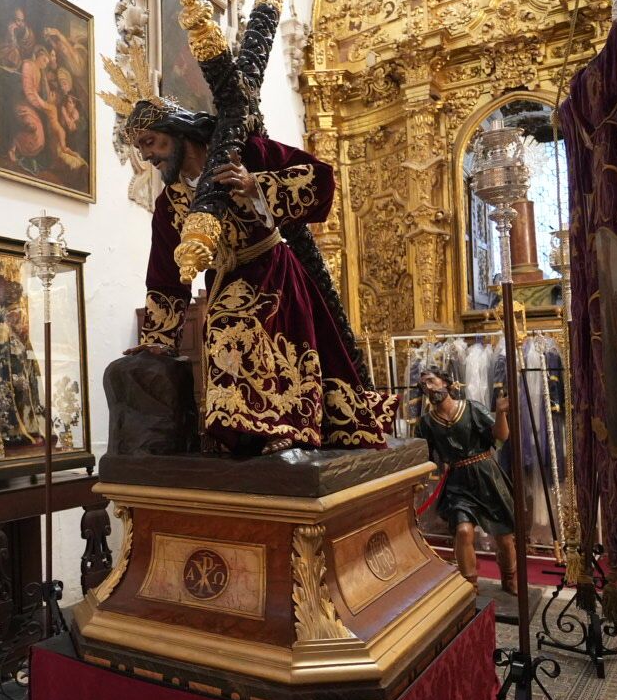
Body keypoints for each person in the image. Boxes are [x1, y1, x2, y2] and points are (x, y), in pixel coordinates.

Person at [119, 96, 395, 453]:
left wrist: (256, 184)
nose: (147, 156)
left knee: (239, 325)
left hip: (272, 270)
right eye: (141, 147)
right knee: (221, 326)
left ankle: (287, 425)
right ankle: (242, 433)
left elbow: (320, 177)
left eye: (151, 142)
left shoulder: (241, 152)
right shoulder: (169, 203)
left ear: (178, 132)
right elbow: (165, 275)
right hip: (224, 279)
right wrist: (159, 337)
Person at [414, 367, 519, 588]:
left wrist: (500, 414)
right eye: (424, 385)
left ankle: (509, 578)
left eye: (432, 381)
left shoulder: (471, 408)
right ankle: (470, 585)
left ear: (445, 383)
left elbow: (501, 437)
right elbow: (422, 456)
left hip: (486, 476)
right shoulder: (426, 423)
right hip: (457, 483)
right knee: (462, 531)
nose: (428, 388)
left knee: (504, 536)